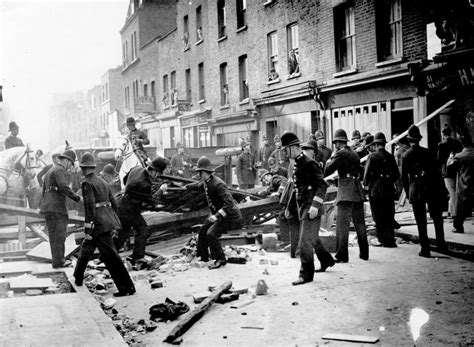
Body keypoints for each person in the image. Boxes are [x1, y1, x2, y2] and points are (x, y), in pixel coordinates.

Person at [73, 153, 136, 297]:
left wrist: (88, 228)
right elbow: (114, 203)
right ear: (93, 167)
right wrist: (115, 222)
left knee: (111, 257)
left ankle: (126, 288)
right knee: (87, 247)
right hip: (107, 221)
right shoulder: (102, 181)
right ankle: (77, 276)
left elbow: (90, 207)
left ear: (83, 168)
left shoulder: (86, 183)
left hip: (98, 224)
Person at [280, 132, 334, 286]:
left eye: (285, 149)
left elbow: (322, 185)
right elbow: (295, 188)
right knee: (313, 238)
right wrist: (289, 207)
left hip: (311, 209)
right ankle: (327, 260)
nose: (284, 152)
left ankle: (305, 274)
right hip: (302, 207)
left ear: (292, 148)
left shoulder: (309, 163)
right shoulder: (295, 163)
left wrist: (316, 205)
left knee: (305, 241)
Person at [186, 156, 242, 269]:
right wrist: (185, 187)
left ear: (204, 172)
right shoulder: (207, 181)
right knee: (203, 231)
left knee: (211, 233)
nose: (198, 175)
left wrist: (216, 216)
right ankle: (203, 257)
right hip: (220, 216)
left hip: (230, 217)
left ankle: (220, 259)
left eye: (199, 173)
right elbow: (197, 186)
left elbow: (230, 204)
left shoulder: (218, 184)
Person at [401, 125, 447, 257]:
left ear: (409, 140)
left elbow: (404, 178)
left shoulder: (405, 155)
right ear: (419, 139)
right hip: (431, 187)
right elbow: (436, 172)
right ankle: (441, 244)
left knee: (420, 220)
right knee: (437, 217)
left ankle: (425, 248)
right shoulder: (428, 152)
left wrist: (408, 193)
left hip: (416, 189)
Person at [325, 129, 369, 263]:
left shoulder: (340, 153)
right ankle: (364, 253)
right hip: (357, 188)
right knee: (360, 223)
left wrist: (332, 157)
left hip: (345, 189)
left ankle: (342, 255)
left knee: (342, 225)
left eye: (335, 143)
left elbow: (328, 170)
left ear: (337, 143)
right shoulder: (354, 153)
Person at [115, 157, 169, 263]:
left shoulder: (136, 168)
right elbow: (152, 202)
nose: (158, 176)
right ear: (153, 171)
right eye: (158, 173)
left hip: (122, 203)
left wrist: (134, 192)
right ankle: (138, 257)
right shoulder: (144, 184)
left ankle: (106, 256)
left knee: (123, 233)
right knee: (142, 229)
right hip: (129, 209)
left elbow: (125, 180)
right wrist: (161, 190)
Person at [39, 149, 82, 268]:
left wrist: (42, 205)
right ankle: (60, 261)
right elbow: (64, 187)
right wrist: (78, 198)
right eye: (71, 164)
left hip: (48, 207)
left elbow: (43, 189)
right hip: (57, 207)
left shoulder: (50, 170)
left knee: (53, 236)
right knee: (60, 235)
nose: (70, 167)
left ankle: (56, 261)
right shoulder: (60, 170)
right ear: (67, 161)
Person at [363, 132, 400, 247]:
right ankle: (390, 240)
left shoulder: (372, 157)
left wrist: (366, 183)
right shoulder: (390, 157)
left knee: (378, 216)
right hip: (388, 190)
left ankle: (381, 239)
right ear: (384, 144)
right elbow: (396, 175)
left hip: (376, 191)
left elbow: (366, 175)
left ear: (375, 144)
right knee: (389, 215)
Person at [447, 133, 473, 234]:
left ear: (462, 143)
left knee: (460, 208)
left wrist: (450, 158)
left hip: (465, 184)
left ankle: (458, 227)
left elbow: (449, 169)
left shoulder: (459, 156)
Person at [437, 125, 463, 218]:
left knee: (452, 192)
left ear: (443, 134)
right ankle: (450, 210)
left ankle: (454, 213)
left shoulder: (441, 145)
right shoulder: (457, 143)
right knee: (455, 191)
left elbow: (439, 160)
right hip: (457, 169)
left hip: (447, 171)